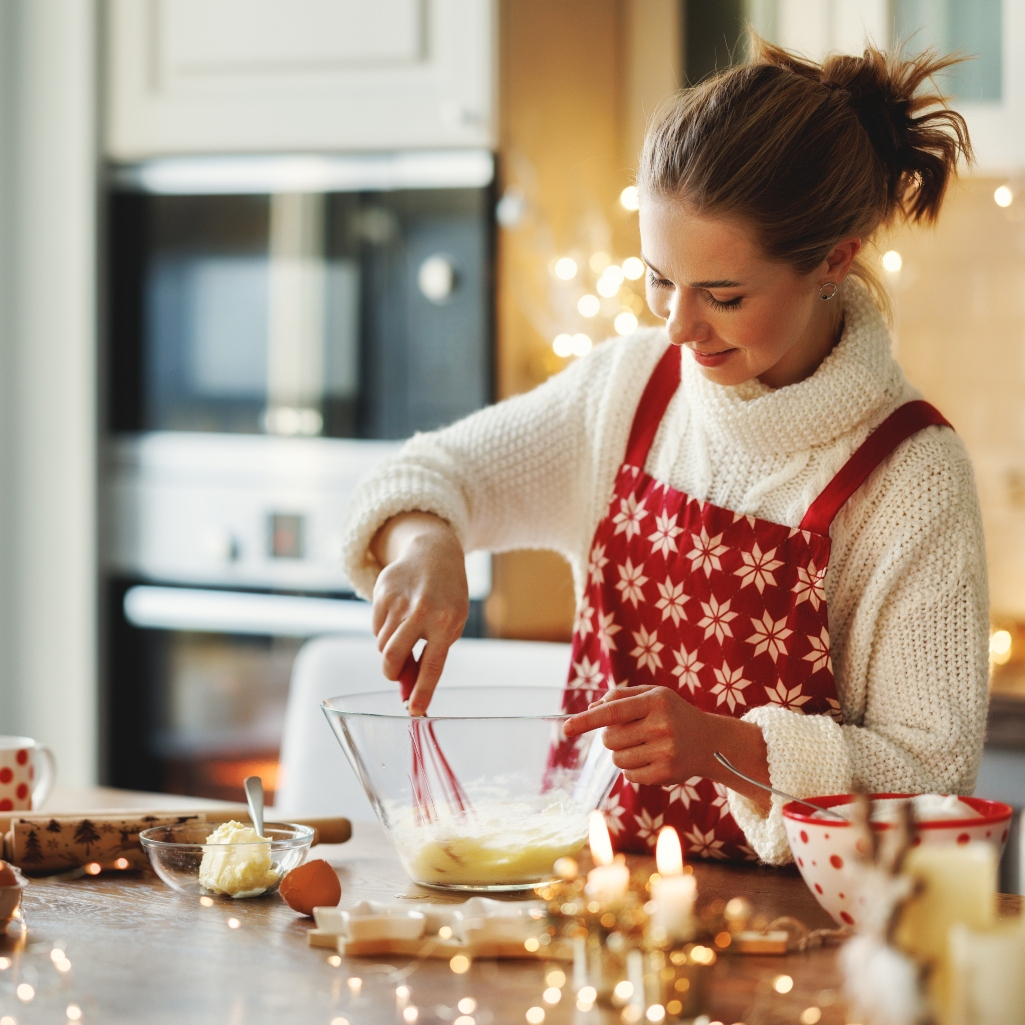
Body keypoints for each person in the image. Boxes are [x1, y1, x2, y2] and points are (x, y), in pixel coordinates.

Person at [339, 39, 987, 864]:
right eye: (657, 279)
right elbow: (427, 476)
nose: (677, 328)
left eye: (723, 295)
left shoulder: (910, 475)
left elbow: (938, 777)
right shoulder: (631, 387)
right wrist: (426, 542)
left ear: (834, 259)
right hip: (603, 908)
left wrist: (728, 746)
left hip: (809, 940)